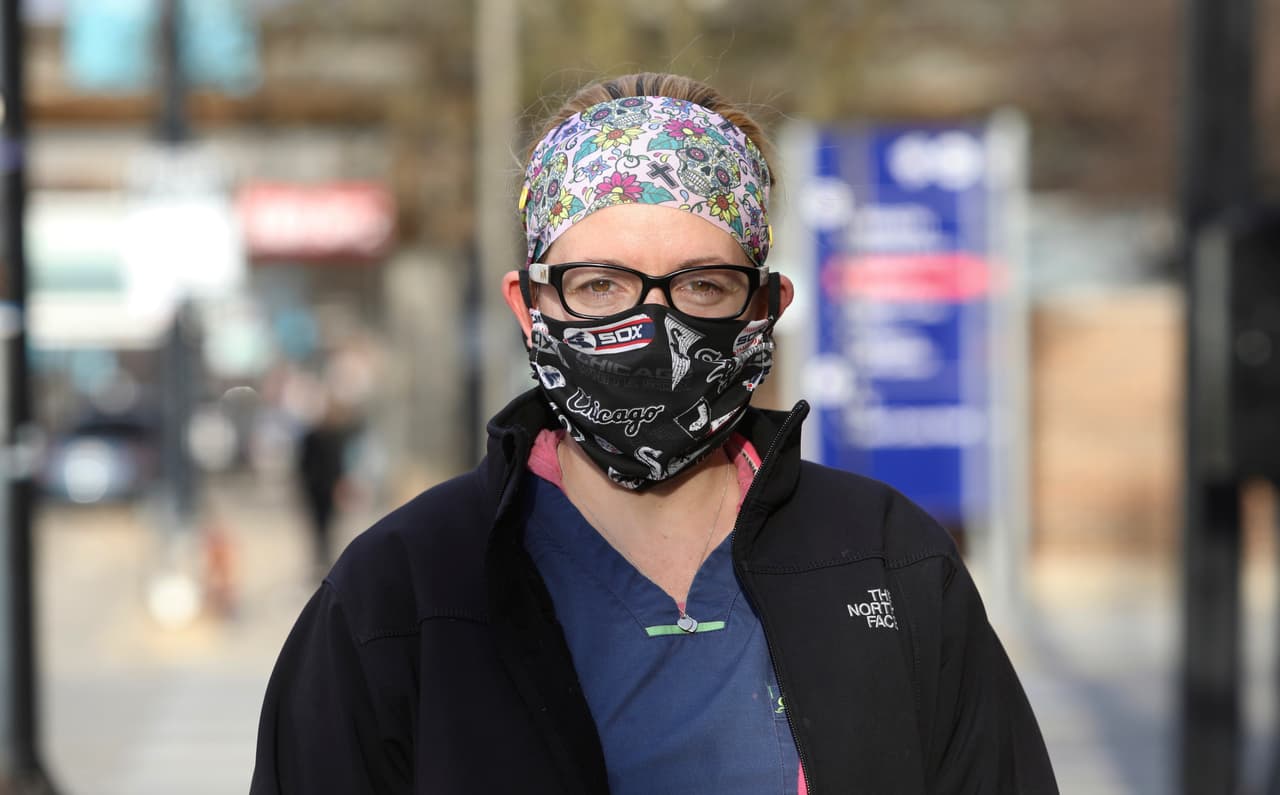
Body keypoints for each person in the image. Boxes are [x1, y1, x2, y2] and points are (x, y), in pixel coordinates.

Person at [250, 72, 1058, 794]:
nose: (650, 325)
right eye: (598, 284)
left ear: (765, 307)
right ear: (528, 307)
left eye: (702, 285)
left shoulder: (886, 561)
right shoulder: (404, 594)